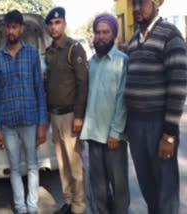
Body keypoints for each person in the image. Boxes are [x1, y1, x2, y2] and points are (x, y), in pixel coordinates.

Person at [125, 0, 187, 213]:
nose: (136, 8)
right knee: (147, 184)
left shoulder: (170, 35)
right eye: (134, 3)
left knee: (166, 188)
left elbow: (178, 87)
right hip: (135, 123)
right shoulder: (133, 41)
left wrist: (169, 134)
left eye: (142, 3)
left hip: (159, 124)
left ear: (156, 5)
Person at [0, 10, 47, 214]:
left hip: (30, 121)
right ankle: (20, 207)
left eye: (15, 26)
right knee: (14, 168)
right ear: (5, 29)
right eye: (8, 26)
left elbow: (39, 89)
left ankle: (32, 207)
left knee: (32, 165)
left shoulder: (32, 54)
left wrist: (42, 123)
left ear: (21, 29)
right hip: (8, 124)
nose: (11, 30)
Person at [80, 13, 129, 214]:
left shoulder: (122, 61)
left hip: (113, 137)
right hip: (93, 135)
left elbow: (123, 100)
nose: (101, 36)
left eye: (106, 32)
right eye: (98, 32)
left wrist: (116, 132)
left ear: (114, 34)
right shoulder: (91, 63)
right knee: (98, 186)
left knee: (119, 187)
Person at [45, 7, 88, 214]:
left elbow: (82, 84)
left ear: (64, 24)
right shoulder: (49, 52)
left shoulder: (74, 49)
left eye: (58, 22)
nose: (54, 27)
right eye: (51, 24)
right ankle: (69, 201)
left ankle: (79, 206)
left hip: (71, 116)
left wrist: (79, 116)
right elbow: (48, 84)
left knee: (75, 163)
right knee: (62, 163)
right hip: (55, 115)